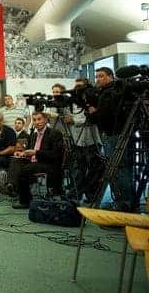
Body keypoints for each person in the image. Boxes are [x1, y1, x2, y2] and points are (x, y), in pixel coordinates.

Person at [87, 67, 133, 211]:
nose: (98, 79)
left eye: (101, 76)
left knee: (118, 168)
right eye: (97, 76)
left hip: (114, 134)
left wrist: (94, 113)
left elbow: (105, 117)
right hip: (111, 133)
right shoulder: (106, 92)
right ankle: (120, 200)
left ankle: (125, 202)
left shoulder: (112, 93)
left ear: (110, 76)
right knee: (115, 169)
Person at [7, 111, 65, 209]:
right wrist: (22, 153)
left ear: (46, 120)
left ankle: (21, 197)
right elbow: (29, 151)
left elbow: (55, 155)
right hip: (34, 162)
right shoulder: (33, 135)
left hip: (48, 164)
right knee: (15, 160)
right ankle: (12, 185)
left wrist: (36, 152)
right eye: (34, 120)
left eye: (39, 119)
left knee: (24, 169)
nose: (37, 122)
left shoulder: (55, 133)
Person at [65, 77, 102, 202]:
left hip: (92, 139)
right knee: (79, 169)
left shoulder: (93, 100)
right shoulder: (74, 102)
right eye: (76, 87)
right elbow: (70, 118)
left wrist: (74, 120)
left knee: (93, 170)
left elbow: (89, 118)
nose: (78, 89)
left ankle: (92, 195)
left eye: (80, 87)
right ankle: (77, 194)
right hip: (78, 140)